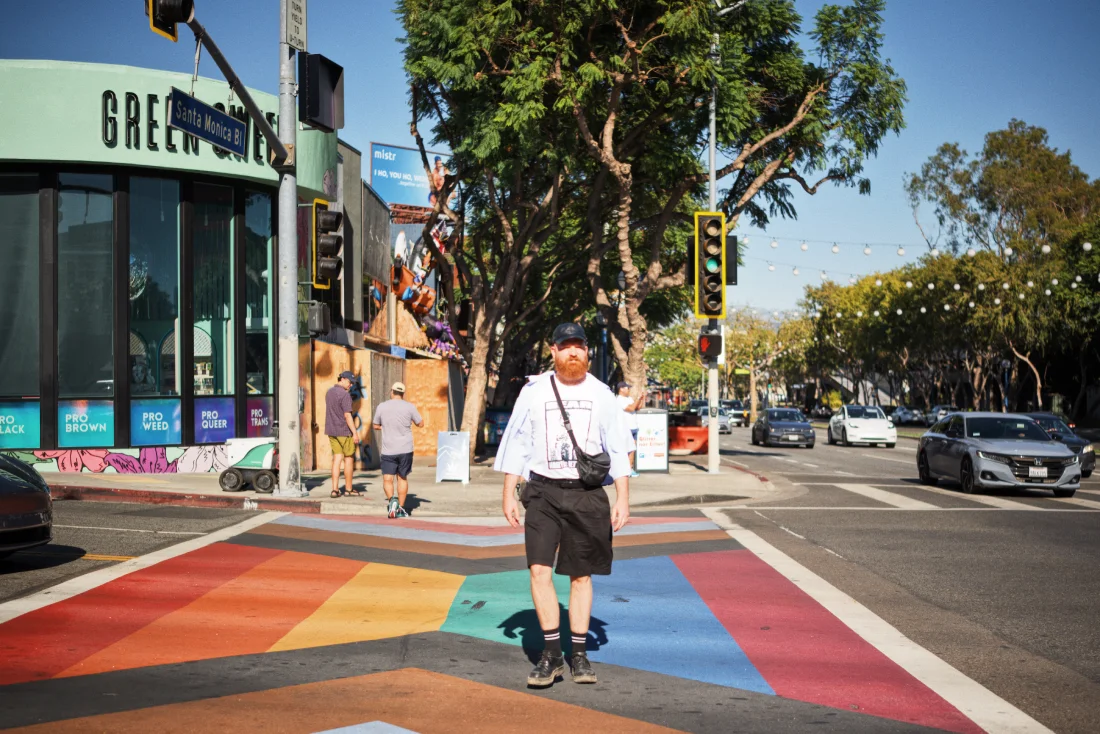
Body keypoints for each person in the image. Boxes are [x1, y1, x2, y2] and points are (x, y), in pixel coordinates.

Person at [495, 322, 632, 688]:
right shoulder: (534, 391)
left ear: (587, 351)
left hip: (587, 495)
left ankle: (580, 655)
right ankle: (552, 654)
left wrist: (623, 498)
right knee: (539, 570)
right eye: (566, 346)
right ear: (553, 351)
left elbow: (618, 446)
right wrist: (508, 492)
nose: (573, 352)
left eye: (579, 346)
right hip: (542, 492)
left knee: (581, 575)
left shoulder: (602, 393)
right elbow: (518, 441)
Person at [372, 381, 424, 518]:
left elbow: (375, 425)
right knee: (402, 478)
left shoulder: (382, 406)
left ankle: (392, 500)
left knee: (387, 479)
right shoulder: (409, 407)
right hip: (405, 448)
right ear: (403, 394)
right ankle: (400, 508)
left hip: (388, 449)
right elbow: (420, 424)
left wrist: (385, 427)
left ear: (392, 392)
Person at [325, 371, 362, 498]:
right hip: (344, 432)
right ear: (343, 379)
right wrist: (355, 433)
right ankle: (348, 489)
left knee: (336, 459)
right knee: (348, 459)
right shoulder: (345, 395)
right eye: (350, 382)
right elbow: (347, 415)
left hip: (332, 431)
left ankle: (335, 489)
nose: (351, 385)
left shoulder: (329, 392)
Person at [616, 381, 645, 476]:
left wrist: (641, 398)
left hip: (634, 427)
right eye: (627, 388)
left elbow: (637, 408)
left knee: (632, 449)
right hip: (626, 428)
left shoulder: (629, 398)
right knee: (625, 449)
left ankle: (630, 468)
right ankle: (623, 469)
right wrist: (637, 399)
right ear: (621, 389)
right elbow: (631, 408)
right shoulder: (619, 400)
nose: (629, 390)